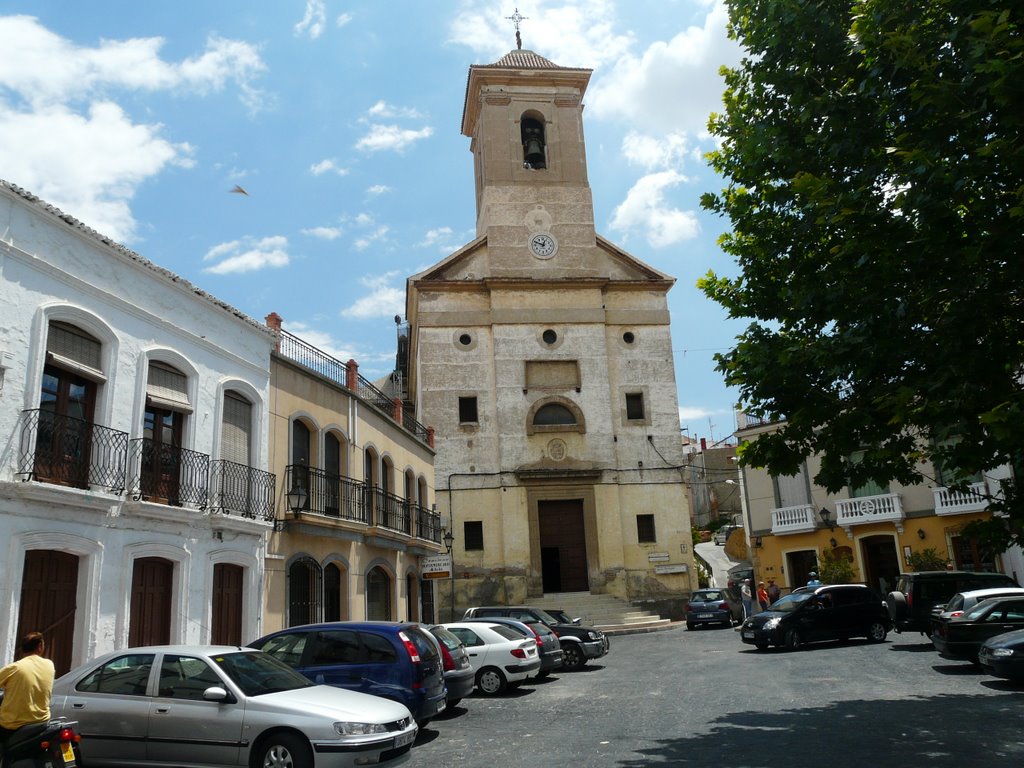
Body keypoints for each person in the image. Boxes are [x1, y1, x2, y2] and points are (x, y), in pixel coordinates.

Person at [0, 631, 55, 755]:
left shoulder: (15, 668)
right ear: (40, 647)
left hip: (13, 725)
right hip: (42, 722)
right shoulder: (49, 665)